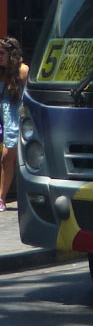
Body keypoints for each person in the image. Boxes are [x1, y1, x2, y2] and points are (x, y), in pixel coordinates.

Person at [0, 37, 29, 212]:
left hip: (17, 117)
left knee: (8, 157)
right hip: (5, 116)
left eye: (1, 53)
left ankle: (2, 197)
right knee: (7, 159)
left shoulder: (22, 71)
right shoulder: (1, 72)